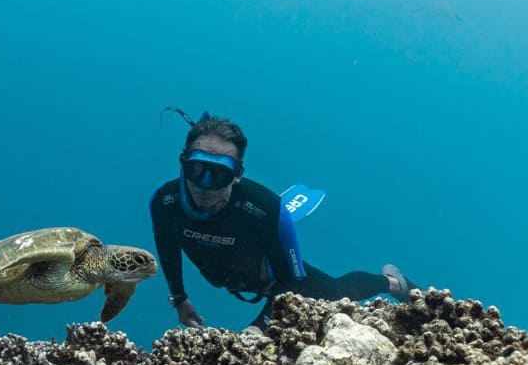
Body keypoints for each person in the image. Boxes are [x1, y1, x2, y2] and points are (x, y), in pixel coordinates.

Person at [148, 110, 419, 329]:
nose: (206, 186)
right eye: (197, 169)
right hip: (232, 279)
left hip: (280, 280)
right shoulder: (164, 202)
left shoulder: (266, 209)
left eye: (219, 174)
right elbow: (167, 250)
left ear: (238, 174)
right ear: (182, 163)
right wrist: (180, 298)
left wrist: (260, 326)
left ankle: (392, 282)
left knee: (337, 293)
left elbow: (294, 284)